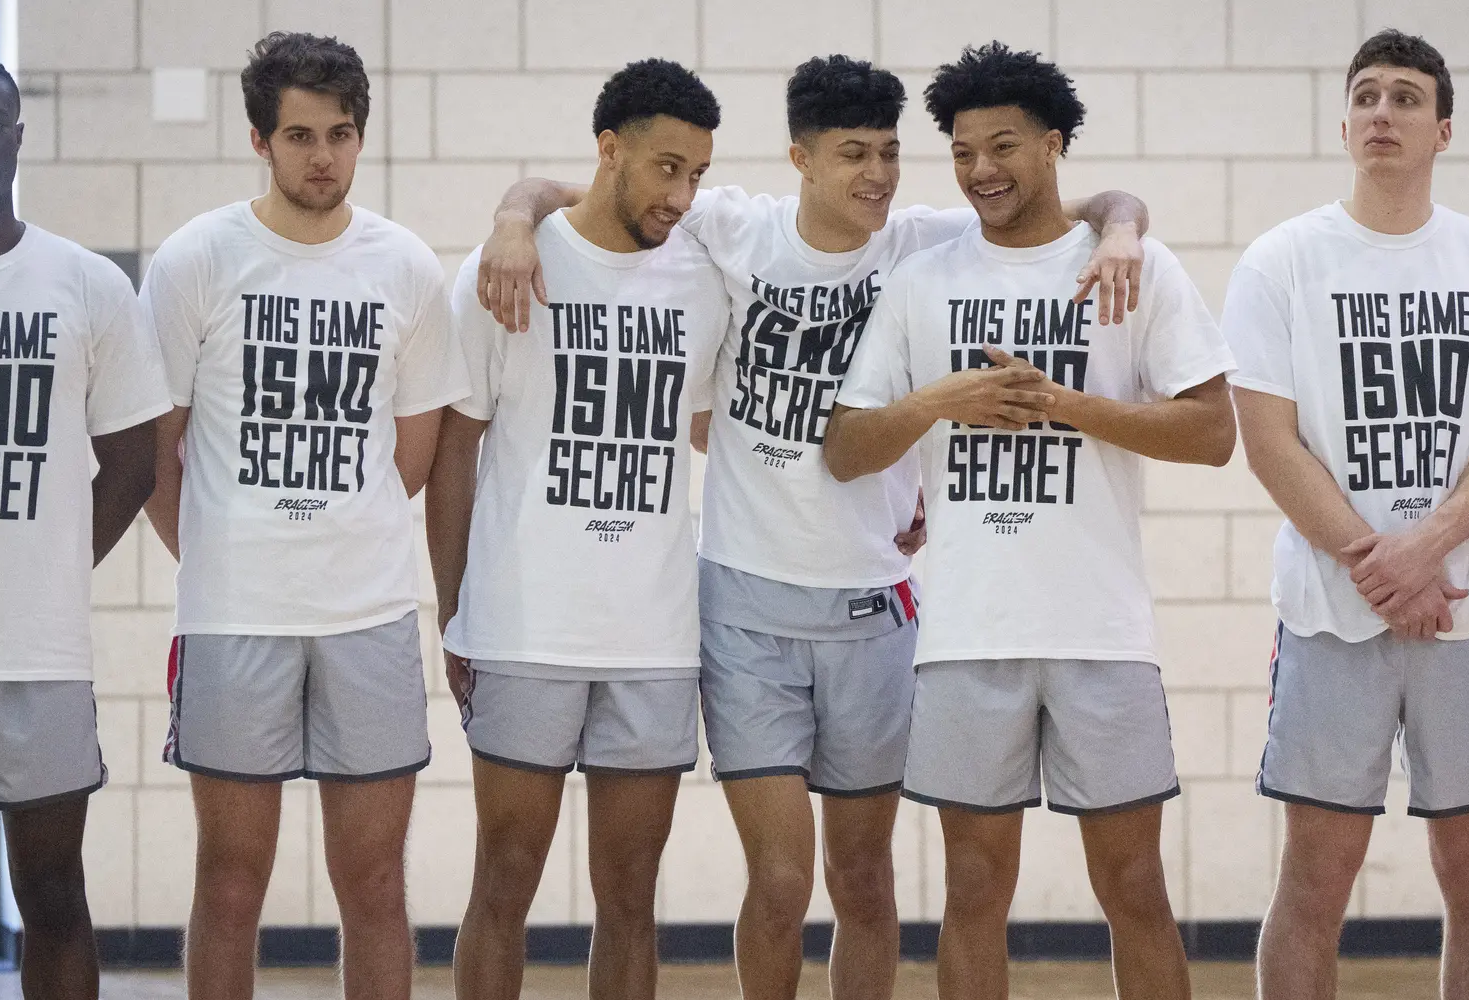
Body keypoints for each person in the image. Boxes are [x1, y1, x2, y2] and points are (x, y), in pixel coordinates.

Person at [472, 54, 1150, 1000]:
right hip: (745, 605)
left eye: (887, 154)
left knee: (864, 880)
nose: (875, 176)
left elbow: (1093, 198)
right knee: (783, 879)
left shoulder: (920, 241)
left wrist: (1122, 233)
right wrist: (513, 221)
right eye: (851, 156)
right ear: (799, 158)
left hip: (874, 606)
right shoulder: (731, 225)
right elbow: (577, 183)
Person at [821, 42, 1234, 1000]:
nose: (980, 171)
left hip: (1102, 631)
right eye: (962, 153)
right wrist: (939, 402)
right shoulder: (923, 281)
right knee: (973, 890)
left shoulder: (1132, 266)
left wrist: (1065, 405)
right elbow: (845, 450)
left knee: (1135, 887)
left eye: (1001, 146)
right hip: (968, 633)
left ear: (1052, 146)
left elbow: (1214, 433)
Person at [141, 32, 469, 1000]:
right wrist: (220, 558)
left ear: (360, 137)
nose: (321, 156)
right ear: (259, 140)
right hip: (235, 614)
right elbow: (158, 448)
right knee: (231, 882)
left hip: (364, 616)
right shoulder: (199, 256)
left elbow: (412, 453)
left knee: (372, 883)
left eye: (340, 133)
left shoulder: (403, 264)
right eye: (299, 135)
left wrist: (336, 529)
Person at [1223, 29, 1469, 1000]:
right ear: (1341, 123)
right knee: (1313, 878)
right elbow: (1268, 440)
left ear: (1441, 129)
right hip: (1329, 612)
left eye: (1405, 97)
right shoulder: (1280, 260)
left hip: (1463, 610)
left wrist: (1428, 549)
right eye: (1365, 95)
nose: (1381, 112)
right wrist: (1378, 562)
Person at [429, 59, 727, 1000]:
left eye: (697, 175)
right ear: (610, 152)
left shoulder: (706, 282)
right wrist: (456, 612)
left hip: (655, 636)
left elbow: (728, 433)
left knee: (631, 896)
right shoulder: (510, 268)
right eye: (665, 168)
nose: (681, 195)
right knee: (504, 881)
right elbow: (452, 453)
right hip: (524, 629)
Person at [0, 52, 170, 1000]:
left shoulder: (86, 282)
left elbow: (136, 461)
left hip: (40, 642)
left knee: (54, 891)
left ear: (19, 137)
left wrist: (54, 566)